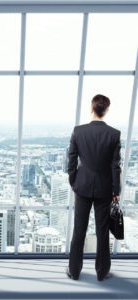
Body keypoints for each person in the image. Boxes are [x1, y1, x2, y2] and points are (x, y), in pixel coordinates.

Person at [66, 94, 121, 281]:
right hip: (105, 189)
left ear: (92, 108)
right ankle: (102, 272)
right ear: (106, 110)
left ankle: (74, 271)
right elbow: (115, 166)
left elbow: (71, 160)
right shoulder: (114, 134)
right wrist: (116, 192)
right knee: (102, 231)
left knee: (79, 230)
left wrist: (74, 181)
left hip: (82, 187)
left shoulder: (78, 131)